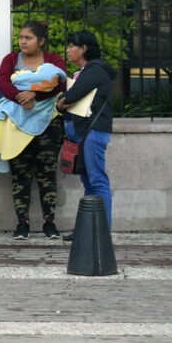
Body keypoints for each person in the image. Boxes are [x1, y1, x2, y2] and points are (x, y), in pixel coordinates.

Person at [0, 21, 66, 240]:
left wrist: (35, 95)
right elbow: (2, 82)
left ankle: (49, 223)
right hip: (17, 124)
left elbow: (59, 84)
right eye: (21, 37)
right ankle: (22, 223)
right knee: (20, 174)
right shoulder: (10, 60)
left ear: (41, 41)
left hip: (48, 125)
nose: (23, 41)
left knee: (47, 173)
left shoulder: (53, 60)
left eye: (28, 38)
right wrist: (20, 97)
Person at [57, 29, 117, 239]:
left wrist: (62, 102)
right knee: (89, 181)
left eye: (72, 45)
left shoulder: (94, 70)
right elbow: (64, 102)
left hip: (93, 132)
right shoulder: (85, 72)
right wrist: (61, 103)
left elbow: (70, 96)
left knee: (97, 179)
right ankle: (88, 227)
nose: (68, 50)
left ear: (84, 49)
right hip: (85, 133)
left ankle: (102, 231)